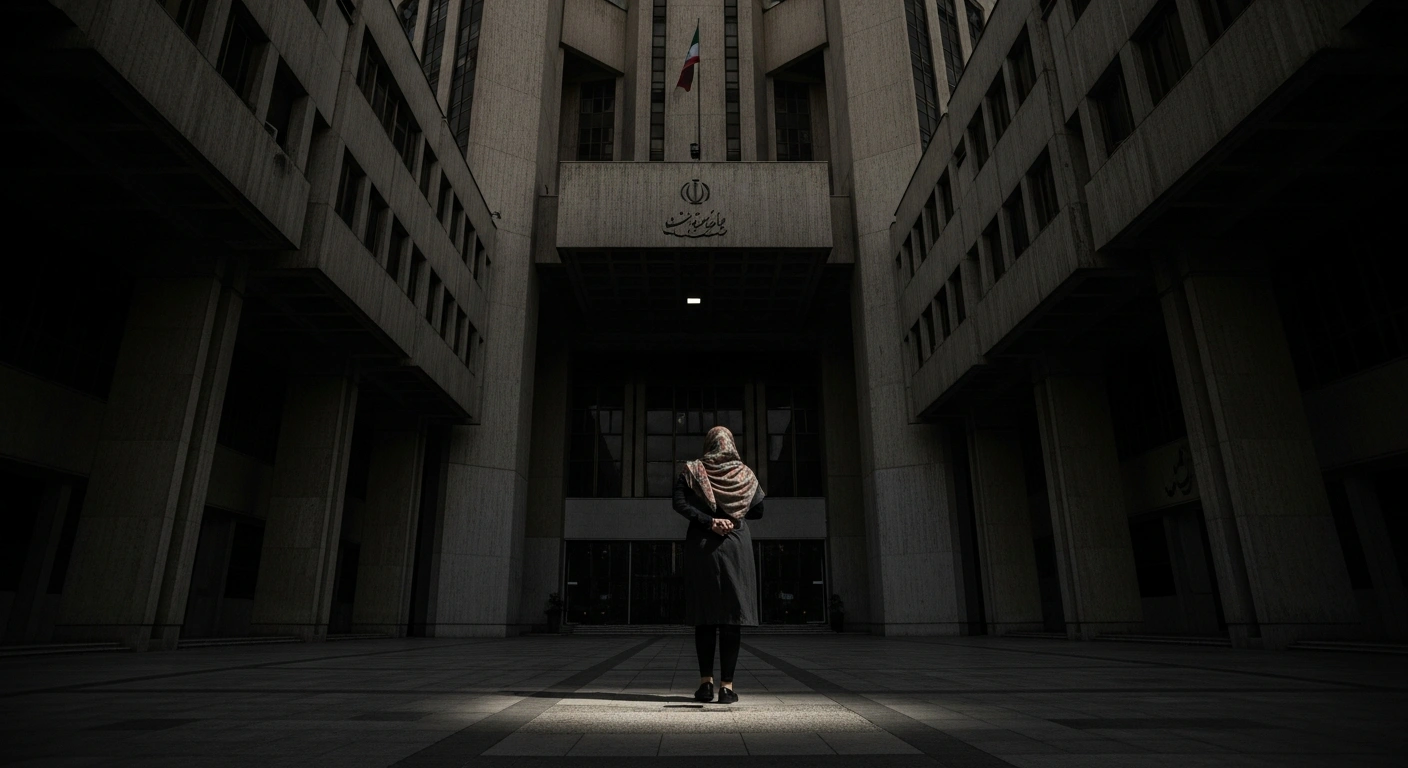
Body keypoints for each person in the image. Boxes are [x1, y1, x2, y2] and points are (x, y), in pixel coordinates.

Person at [673, 425, 764, 705]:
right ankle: (727, 687)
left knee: (705, 616)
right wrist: (733, 513)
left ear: (709, 444)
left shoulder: (693, 470)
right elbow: (759, 510)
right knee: (731, 618)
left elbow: (678, 503)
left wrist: (710, 521)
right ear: (731, 444)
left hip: (703, 546)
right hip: (735, 544)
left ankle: (705, 685)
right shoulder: (746, 475)